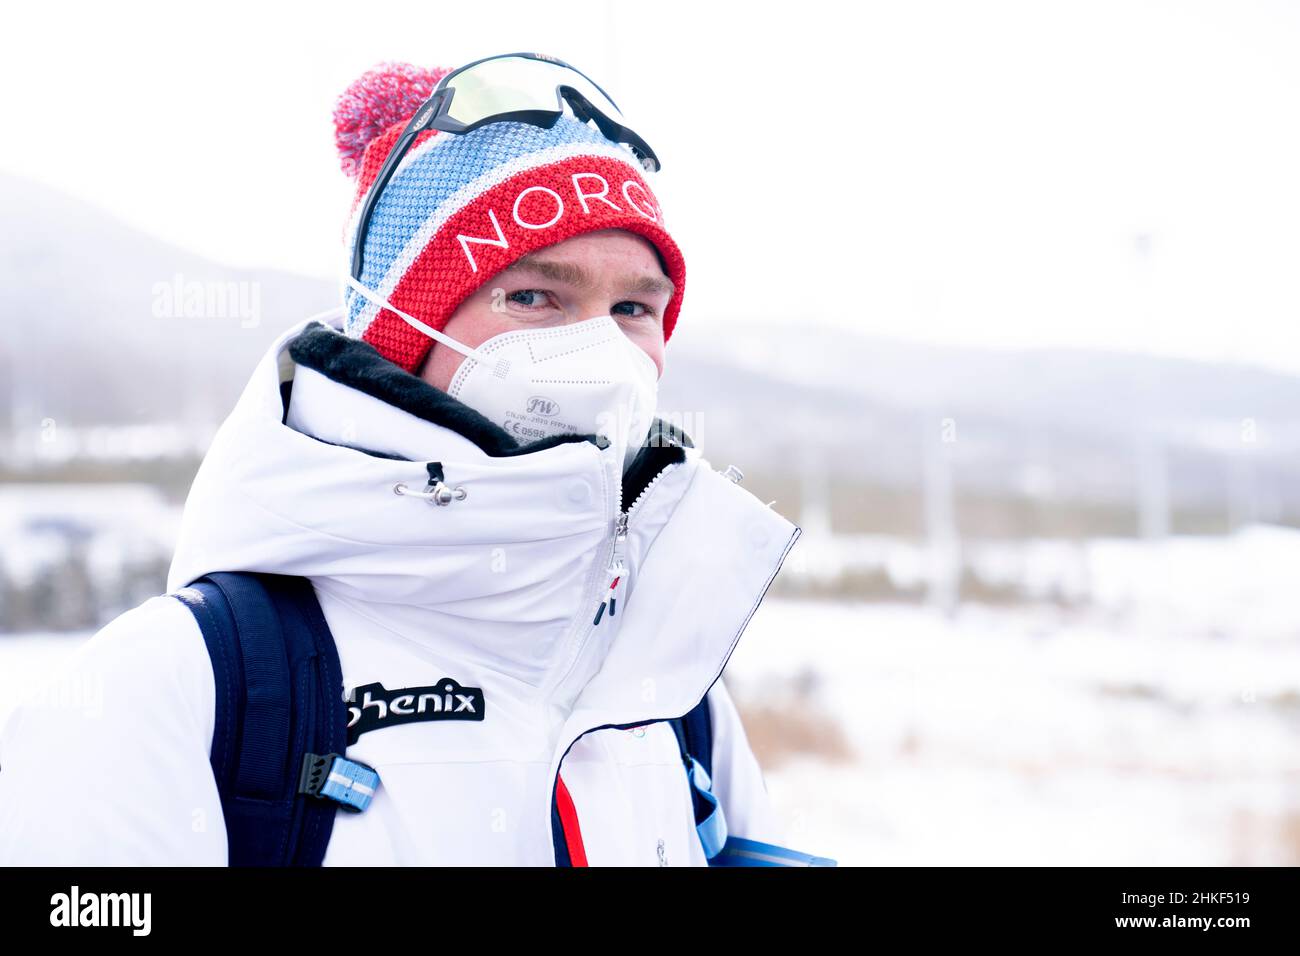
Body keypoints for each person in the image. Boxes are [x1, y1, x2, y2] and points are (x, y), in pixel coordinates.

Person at [0, 53, 805, 866]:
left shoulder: (667, 692)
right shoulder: (184, 691)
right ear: (404, 331)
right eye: (533, 297)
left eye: (633, 306)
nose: (598, 346)